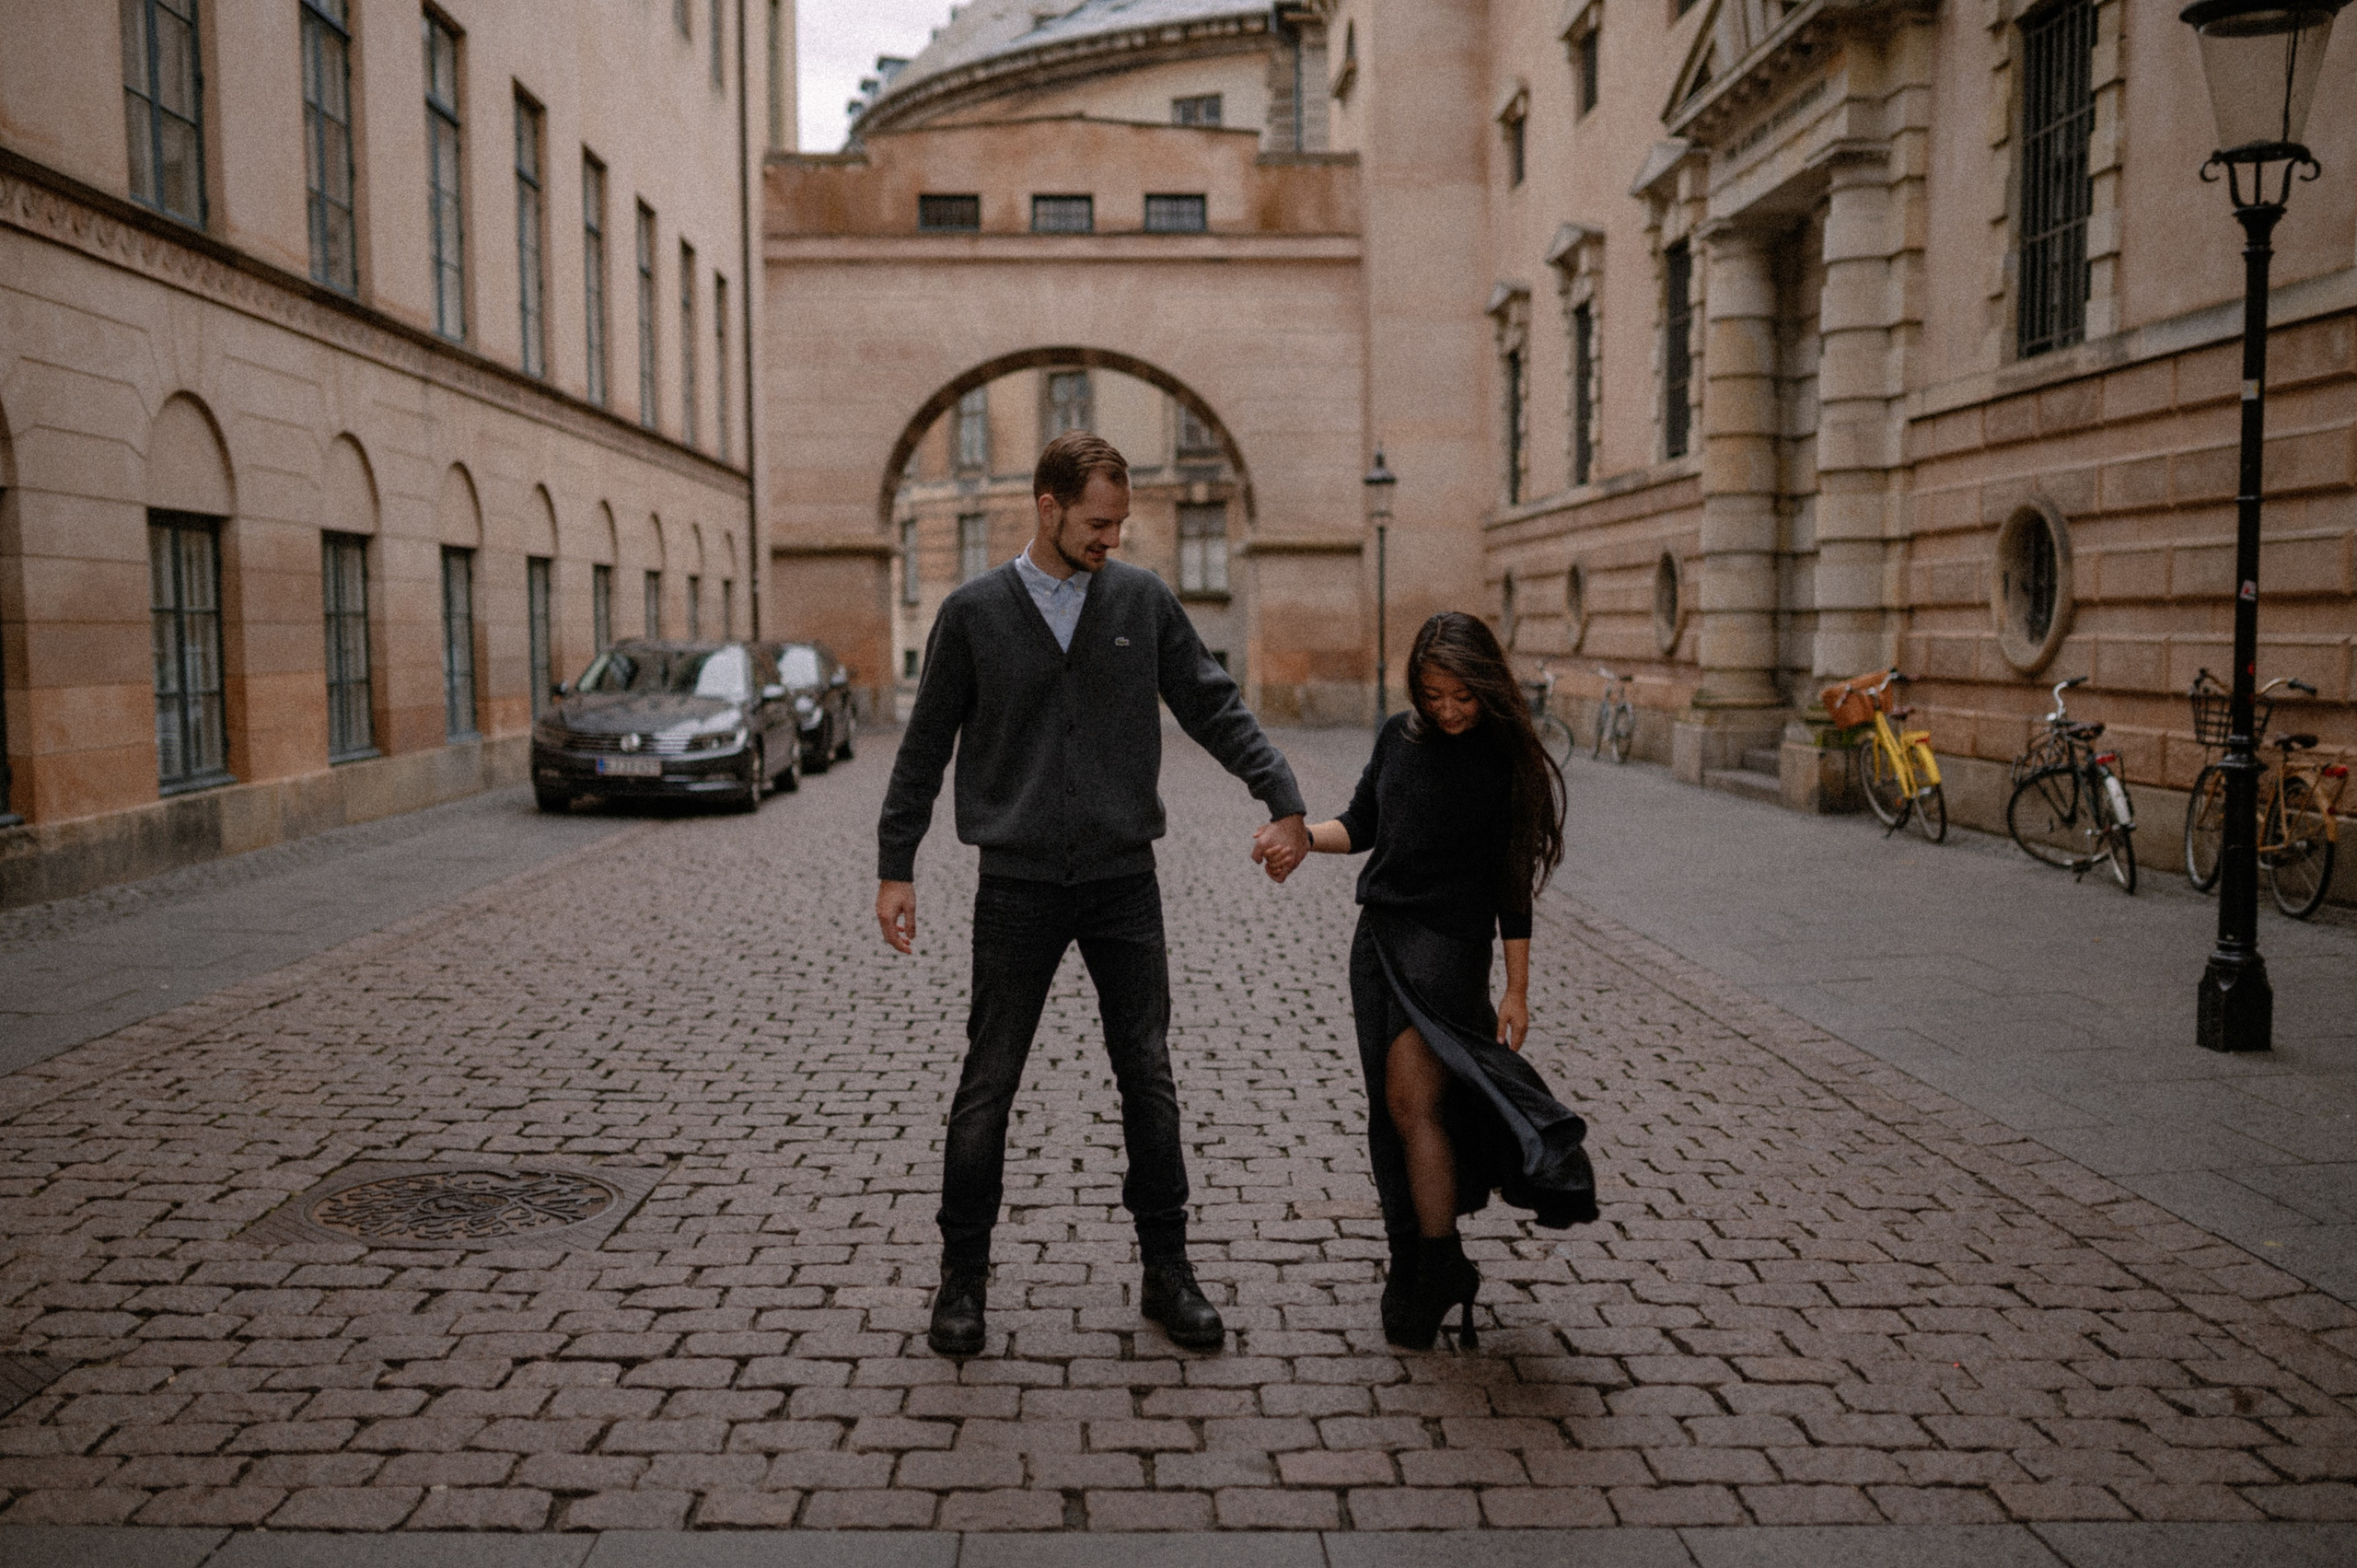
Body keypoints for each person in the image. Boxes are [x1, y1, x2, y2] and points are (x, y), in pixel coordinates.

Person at [877, 430, 1313, 1358]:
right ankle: (962, 1278)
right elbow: (922, 752)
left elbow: (1212, 701)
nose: (1111, 536)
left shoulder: (1141, 600)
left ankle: (1168, 1268)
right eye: (1097, 520)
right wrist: (895, 865)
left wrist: (1281, 793)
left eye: (1120, 522)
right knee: (987, 1081)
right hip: (1017, 886)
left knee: (1146, 1074)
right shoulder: (973, 613)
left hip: (1123, 881)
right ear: (1048, 506)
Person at [1260, 610, 1596, 1349]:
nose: (1447, 709)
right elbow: (1361, 822)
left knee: (1414, 1098)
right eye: (1434, 693)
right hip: (1377, 942)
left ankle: (1441, 1260)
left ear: (1488, 687)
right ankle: (1410, 1255)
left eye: (1462, 696)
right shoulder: (1397, 737)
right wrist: (1300, 838)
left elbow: (1513, 884)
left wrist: (1516, 988)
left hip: (1447, 952)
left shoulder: (1506, 761)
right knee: (1391, 1111)